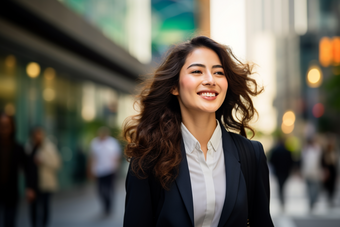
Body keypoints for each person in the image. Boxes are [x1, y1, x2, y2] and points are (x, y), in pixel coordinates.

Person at [123, 36, 273, 227]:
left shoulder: (251, 154)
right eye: (197, 71)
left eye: (218, 73)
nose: (210, 80)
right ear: (174, 86)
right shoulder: (148, 159)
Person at [25, 127, 60, 227]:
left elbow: (57, 164)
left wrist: (43, 160)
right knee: (33, 207)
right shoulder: (29, 148)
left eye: (40, 134)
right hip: (33, 183)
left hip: (46, 183)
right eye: (36, 135)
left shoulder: (50, 148)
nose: (38, 137)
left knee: (45, 206)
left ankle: (44, 224)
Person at [0, 113, 27, 227]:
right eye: (2, 125)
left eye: (7, 126)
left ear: (12, 127)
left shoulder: (18, 148)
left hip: (11, 193)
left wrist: (30, 187)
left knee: (9, 222)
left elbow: (27, 168)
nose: (4, 129)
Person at [89, 127, 122, 216]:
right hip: (99, 170)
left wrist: (116, 168)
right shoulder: (95, 143)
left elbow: (117, 156)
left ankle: (109, 208)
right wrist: (91, 170)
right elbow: (92, 157)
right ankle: (105, 206)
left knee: (109, 189)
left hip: (110, 170)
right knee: (100, 190)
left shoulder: (112, 143)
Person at [269, 135, 294, 210]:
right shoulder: (288, 151)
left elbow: (271, 161)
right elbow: (291, 162)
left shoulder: (275, 151)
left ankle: (281, 200)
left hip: (278, 172)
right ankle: (282, 201)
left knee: (280, 186)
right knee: (282, 186)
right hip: (285, 172)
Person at [301, 136, 323, 212]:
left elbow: (320, 161)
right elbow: (303, 161)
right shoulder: (305, 150)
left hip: (315, 172)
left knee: (315, 189)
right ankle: (311, 202)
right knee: (309, 188)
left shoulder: (317, 149)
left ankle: (313, 202)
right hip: (307, 172)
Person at [321, 137, 338, 207]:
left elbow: (336, 163)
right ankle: (328, 198)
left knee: (333, 187)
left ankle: (331, 199)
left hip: (333, 171)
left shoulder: (334, 151)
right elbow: (322, 162)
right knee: (327, 186)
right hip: (327, 171)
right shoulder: (325, 152)